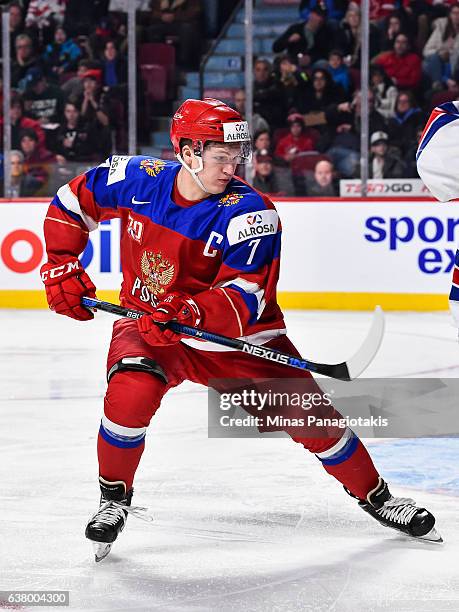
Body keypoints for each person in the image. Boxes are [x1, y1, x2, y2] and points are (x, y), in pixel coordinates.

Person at [39, 98, 440, 562]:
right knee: (129, 394)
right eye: (220, 157)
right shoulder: (135, 178)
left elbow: (248, 295)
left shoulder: (251, 211)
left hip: (237, 341)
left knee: (317, 424)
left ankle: (378, 496)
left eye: (236, 157)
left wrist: (190, 312)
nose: (232, 167)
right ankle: (113, 501)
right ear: (187, 152)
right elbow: (70, 201)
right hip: (149, 325)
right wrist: (61, 264)